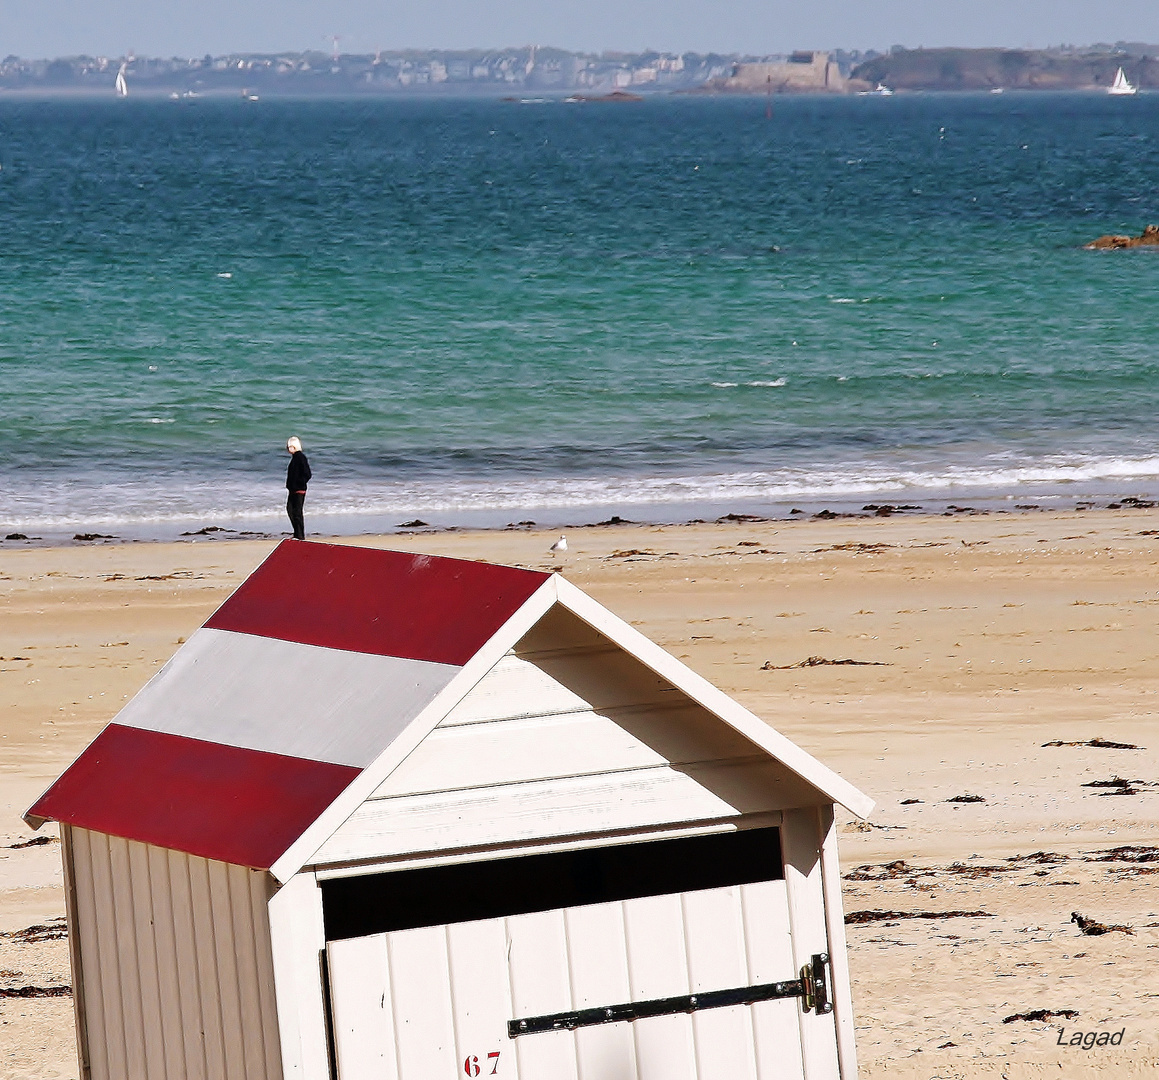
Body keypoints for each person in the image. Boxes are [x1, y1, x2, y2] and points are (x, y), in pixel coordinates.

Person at [285, 436, 312, 540]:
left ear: (294, 446)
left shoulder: (300, 457)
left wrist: (299, 483)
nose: (287, 449)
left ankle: (300, 535)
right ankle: (297, 533)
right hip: (293, 490)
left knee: (297, 513)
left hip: (299, 489)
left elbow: (307, 474)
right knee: (291, 510)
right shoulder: (295, 458)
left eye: (289, 447)